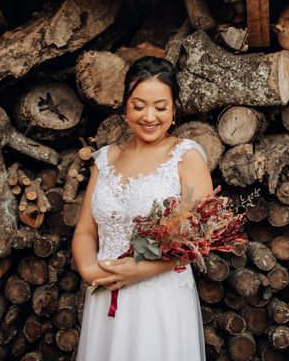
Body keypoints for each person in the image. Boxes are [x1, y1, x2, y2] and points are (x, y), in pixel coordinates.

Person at [72, 56, 212, 361]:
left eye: (160, 107)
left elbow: (201, 238)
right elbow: (85, 229)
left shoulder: (186, 158)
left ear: (174, 109)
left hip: (158, 297)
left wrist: (141, 270)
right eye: (139, 106)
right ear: (125, 107)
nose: (149, 116)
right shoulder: (105, 160)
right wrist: (88, 269)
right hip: (105, 293)